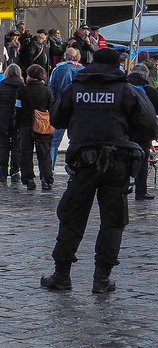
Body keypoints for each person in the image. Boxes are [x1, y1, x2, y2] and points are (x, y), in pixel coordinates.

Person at [41, 48, 158, 293]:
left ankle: (62, 275)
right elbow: (148, 123)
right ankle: (102, 279)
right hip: (117, 161)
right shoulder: (126, 90)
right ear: (118, 65)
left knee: (72, 216)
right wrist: (127, 139)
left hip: (83, 160)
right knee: (113, 220)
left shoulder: (76, 87)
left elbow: (56, 118)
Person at [17, 64, 54, 192]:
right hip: (42, 125)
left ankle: (29, 179)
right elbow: (52, 108)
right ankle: (46, 179)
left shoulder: (22, 90)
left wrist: (17, 124)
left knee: (25, 154)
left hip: (26, 124)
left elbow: (17, 109)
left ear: (30, 76)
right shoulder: (47, 90)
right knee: (44, 154)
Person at [126, 63, 158, 201]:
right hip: (142, 130)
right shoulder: (149, 91)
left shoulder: (122, 87)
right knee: (143, 159)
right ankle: (141, 191)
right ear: (145, 75)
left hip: (123, 129)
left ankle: (120, 187)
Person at [49, 46, 83, 168]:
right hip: (78, 110)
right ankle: (75, 167)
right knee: (77, 141)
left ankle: (49, 169)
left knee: (53, 142)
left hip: (61, 108)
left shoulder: (58, 70)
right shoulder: (84, 71)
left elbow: (51, 89)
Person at [0, 63, 23, 184]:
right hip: (18, 119)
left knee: (3, 146)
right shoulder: (22, 86)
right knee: (16, 146)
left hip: (3, 118)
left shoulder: (1, 85)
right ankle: (15, 171)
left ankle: (2, 172)